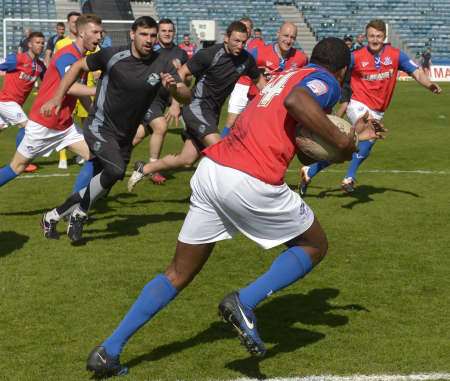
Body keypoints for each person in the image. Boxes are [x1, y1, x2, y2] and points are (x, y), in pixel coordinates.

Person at [84, 37, 383, 378]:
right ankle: (245, 301)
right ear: (342, 71)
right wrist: (346, 143)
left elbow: (303, 147)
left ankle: (110, 349)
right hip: (250, 177)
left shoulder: (292, 72)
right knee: (314, 245)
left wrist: (355, 134)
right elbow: (298, 102)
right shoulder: (324, 81)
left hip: (214, 170)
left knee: (178, 272)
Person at [40, 16, 191, 242]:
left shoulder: (163, 63)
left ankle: (52, 216)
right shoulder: (112, 55)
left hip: (125, 134)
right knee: (116, 170)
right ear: (132, 34)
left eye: (152, 35)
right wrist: (57, 97)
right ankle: (79, 214)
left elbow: (185, 94)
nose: (149, 39)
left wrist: (175, 89)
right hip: (100, 126)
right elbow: (78, 66)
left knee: (105, 183)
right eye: (143, 34)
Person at [300, 19, 442, 194]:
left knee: (354, 146)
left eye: (379, 36)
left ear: (384, 37)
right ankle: (349, 178)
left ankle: (311, 170)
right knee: (366, 132)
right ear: (366, 36)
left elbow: (417, 72)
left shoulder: (396, 55)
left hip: (378, 109)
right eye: (371, 36)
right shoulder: (356, 56)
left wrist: (429, 85)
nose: (375, 40)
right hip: (358, 103)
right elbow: (337, 68)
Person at [127, 21, 266, 192]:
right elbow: (181, 73)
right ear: (226, 38)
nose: (240, 45)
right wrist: (176, 103)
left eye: (243, 42)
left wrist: (272, 99)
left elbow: (259, 81)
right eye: (236, 41)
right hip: (196, 106)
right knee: (219, 148)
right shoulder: (209, 54)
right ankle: (226, 195)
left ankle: (145, 168)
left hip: (212, 113)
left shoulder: (246, 59)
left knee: (186, 159)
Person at [0, 14, 102, 188]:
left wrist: (95, 113)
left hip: (65, 126)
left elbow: (79, 93)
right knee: (16, 167)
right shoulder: (68, 55)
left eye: (101, 32)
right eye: (96, 32)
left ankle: (74, 208)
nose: (100, 37)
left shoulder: (82, 58)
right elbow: (71, 87)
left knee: (96, 158)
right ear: (83, 33)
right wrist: (101, 90)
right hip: (44, 123)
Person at [223, 22, 308, 136]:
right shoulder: (259, 52)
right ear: (278, 34)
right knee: (232, 121)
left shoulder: (301, 58)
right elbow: (241, 63)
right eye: (285, 36)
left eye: (292, 38)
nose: (288, 40)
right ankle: (219, 149)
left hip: (274, 97)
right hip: (247, 86)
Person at [132, 18, 190, 185]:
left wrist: (181, 73)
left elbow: (188, 81)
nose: (167, 33)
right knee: (161, 126)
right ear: (158, 33)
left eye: (170, 31)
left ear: (174, 32)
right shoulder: (150, 49)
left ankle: (111, 161)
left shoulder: (181, 53)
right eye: (163, 30)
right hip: (148, 97)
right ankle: (153, 168)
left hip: (162, 100)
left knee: (138, 136)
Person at [0, 31, 46, 173]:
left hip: (13, 104)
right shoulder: (17, 59)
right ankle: (22, 162)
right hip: (7, 101)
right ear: (29, 44)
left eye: (42, 43)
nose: (41, 45)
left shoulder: (40, 66)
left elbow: (48, 82)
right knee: (27, 128)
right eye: (37, 42)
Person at [54, 11, 81, 169]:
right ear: (68, 23)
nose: (75, 24)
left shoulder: (88, 43)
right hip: (67, 88)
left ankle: (81, 153)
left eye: (78, 21)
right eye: (73, 22)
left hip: (85, 86)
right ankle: (63, 158)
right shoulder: (61, 43)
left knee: (88, 122)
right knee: (63, 121)